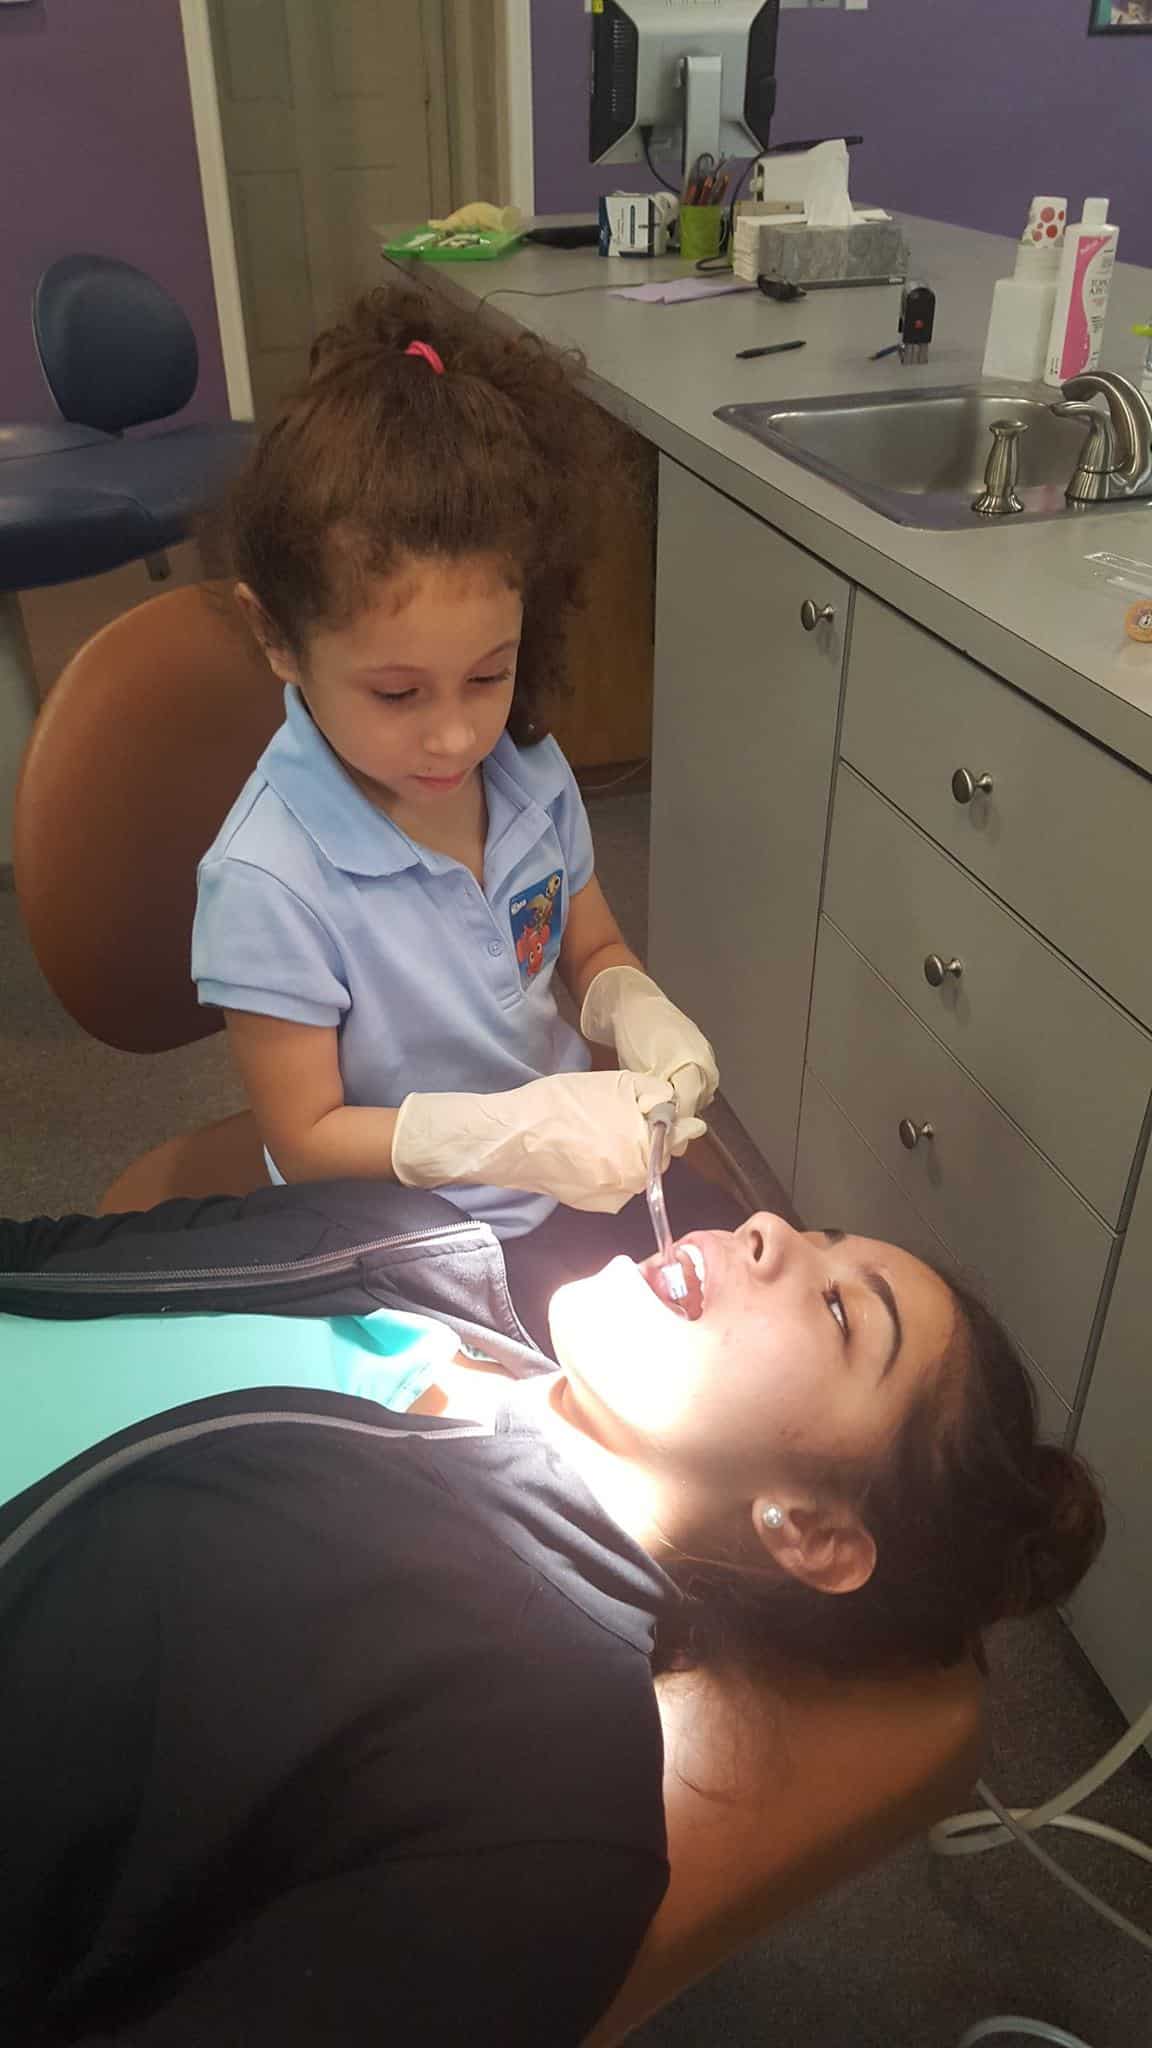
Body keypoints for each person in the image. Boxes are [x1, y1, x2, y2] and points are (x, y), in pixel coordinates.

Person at [0, 1181, 1104, 2045]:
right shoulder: (406, 1238)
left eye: (837, 1307)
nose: (767, 1226)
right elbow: (43, 1259)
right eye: (816, 1231)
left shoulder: (542, 1803)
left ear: (809, 1531)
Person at [192, 280, 730, 1266]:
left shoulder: (523, 768)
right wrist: (502, 1135)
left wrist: (632, 1004)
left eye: (489, 674)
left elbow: (589, 939)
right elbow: (303, 1136)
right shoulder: (271, 879)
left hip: (562, 1180)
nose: (454, 737)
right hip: (391, 1222)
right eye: (397, 694)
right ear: (276, 634)